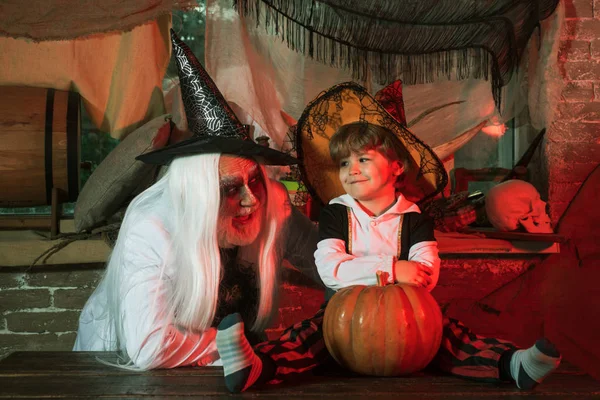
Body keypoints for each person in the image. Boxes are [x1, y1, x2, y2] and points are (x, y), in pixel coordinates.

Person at [215, 82, 562, 393]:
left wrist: (381, 271)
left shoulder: (413, 218)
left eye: (363, 158)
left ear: (396, 167)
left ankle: (511, 365)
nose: (351, 169)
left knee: (451, 337)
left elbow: (426, 273)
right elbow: (331, 270)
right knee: (306, 338)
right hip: (343, 316)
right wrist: (395, 271)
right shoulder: (338, 213)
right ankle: (257, 366)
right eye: (343, 163)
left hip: (407, 320)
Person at [72, 30, 322, 369]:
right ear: (200, 194)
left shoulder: (270, 203)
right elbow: (150, 347)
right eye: (232, 188)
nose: (251, 200)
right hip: (121, 370)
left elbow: (323, 258)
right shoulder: (152, 227)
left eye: (254, 182)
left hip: (219, 366)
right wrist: (232, 347)